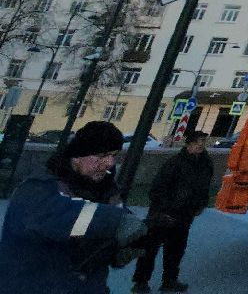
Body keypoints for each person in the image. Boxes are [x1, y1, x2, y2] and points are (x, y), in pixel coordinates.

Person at [0, 120, 146, 294]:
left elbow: (96, 244)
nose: (109, 163)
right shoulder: (39, 187)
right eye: (101, 156)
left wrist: (121, 250)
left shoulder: (107, 192)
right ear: (76, 157)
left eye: (114, 155)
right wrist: (116, 221)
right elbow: (57, 218)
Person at [131, 130, 214, 293]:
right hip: (162, 214)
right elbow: (158, 188)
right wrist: (165, 208)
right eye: (198, 141)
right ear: (188, 143)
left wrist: (201, 204)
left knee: (176, 250)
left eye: (203, 141)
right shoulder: (175, 163)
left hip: (185, 214)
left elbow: (204, 187)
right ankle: (141, 282)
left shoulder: (206, 164)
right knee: (150, 249)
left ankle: (169, 281)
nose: (201, 144)